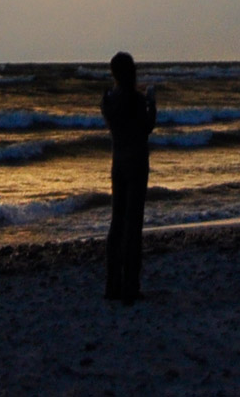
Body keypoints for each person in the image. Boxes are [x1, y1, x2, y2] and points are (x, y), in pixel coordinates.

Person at [101, 49, 156, 303]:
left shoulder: (109, 99)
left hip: (118, 162)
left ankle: (112, 284)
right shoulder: (135, 99)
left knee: (117, 222)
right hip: (136, 161)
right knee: (133, 224)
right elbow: (146, 127)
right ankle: (130, 287)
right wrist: (152, 103)